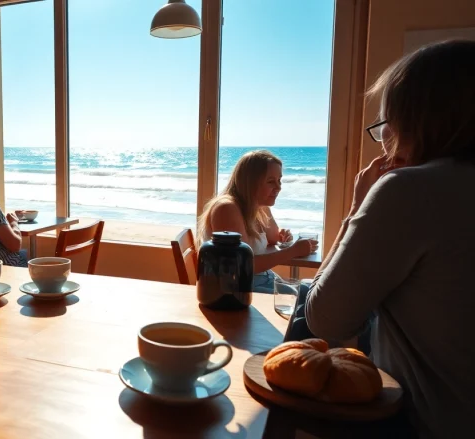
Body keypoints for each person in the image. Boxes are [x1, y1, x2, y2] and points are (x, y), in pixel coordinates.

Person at [303, 40, 475, 438]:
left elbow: (325, 319)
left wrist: (357, 208)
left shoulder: (410, 189)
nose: (384, 141)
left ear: (417, 121)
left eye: (386, 126)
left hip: (425, 422)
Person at [197, 150, 318, 292]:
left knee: (315, 289)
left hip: (260, 279)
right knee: (309, 298)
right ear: (251, 183)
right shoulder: (227, 209)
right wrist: (293, 251)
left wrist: (282, 234)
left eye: (279, 180)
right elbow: (244, 265)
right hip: (236, 289)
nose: (279, 187)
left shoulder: (256, 205)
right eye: (271, 181)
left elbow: (273, 238)